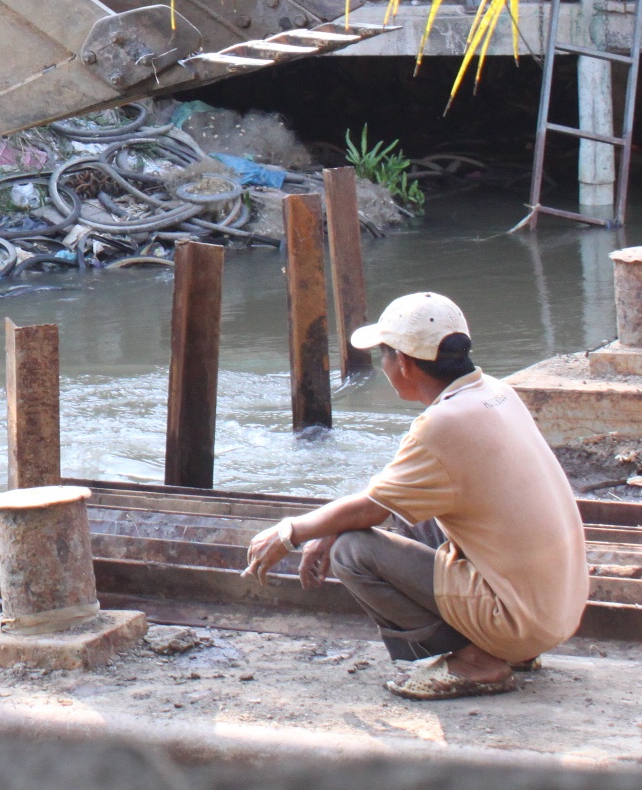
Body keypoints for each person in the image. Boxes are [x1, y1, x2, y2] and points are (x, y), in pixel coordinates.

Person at [241, 292, 587, 701]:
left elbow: (371, 507)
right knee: (404, 512)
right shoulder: (495, 393)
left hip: (520, 620)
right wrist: (332, 524)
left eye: (384, 357)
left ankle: (478, 661)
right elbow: (388, 494)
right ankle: (508, 649)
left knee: (352, 551)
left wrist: (290, 531)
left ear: (401, 362)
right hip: (557, 608)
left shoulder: (442, 425)